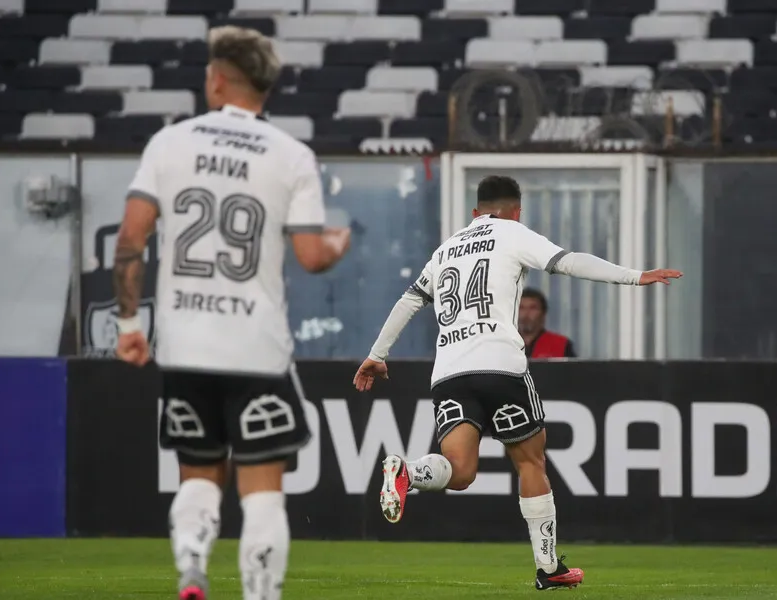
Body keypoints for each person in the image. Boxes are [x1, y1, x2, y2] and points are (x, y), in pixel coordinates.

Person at [353, 175, 682, 591]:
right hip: (500, 366)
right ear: (517, 211)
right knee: (530, 461)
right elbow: (568, 261)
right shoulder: (512, 233)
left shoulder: (446, 249)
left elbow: (410, 300)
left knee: (460, 471)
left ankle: (410, 472)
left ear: (475, 212)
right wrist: (635, 276)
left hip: (449, 372)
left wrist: (377, 354)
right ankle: (548, 568)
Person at [112, 26, 350, 600]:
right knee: (262, 490)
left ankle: (193, 562)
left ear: (217, 81)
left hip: (184, 345)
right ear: (264, 87)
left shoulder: (169, 143)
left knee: (198, 473)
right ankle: (260, 593)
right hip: (255, 347)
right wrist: (337, 246)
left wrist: (129, 326)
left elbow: (131, 238)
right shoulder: (291, 155)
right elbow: (311, 257)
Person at [518, 287, 576, 358]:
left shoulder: (561, 344)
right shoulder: (507, 343)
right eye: (521, 308)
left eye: (533, 308)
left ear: (543, 313)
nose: (526, 313)